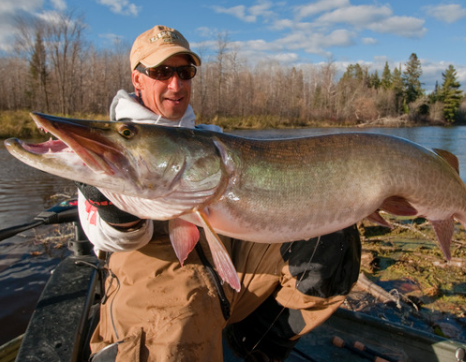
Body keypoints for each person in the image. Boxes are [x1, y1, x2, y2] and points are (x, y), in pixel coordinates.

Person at [77, 25, 362, 362]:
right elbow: (107, 238)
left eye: (185, 72)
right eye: (161, 72)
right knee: (173, 333)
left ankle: (256, 344)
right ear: (137, 79)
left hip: (229, 272)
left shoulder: (213, 140)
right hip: (156, 280)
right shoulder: (110, 149)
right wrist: (111, 203)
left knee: (332, 238)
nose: (176, 84)